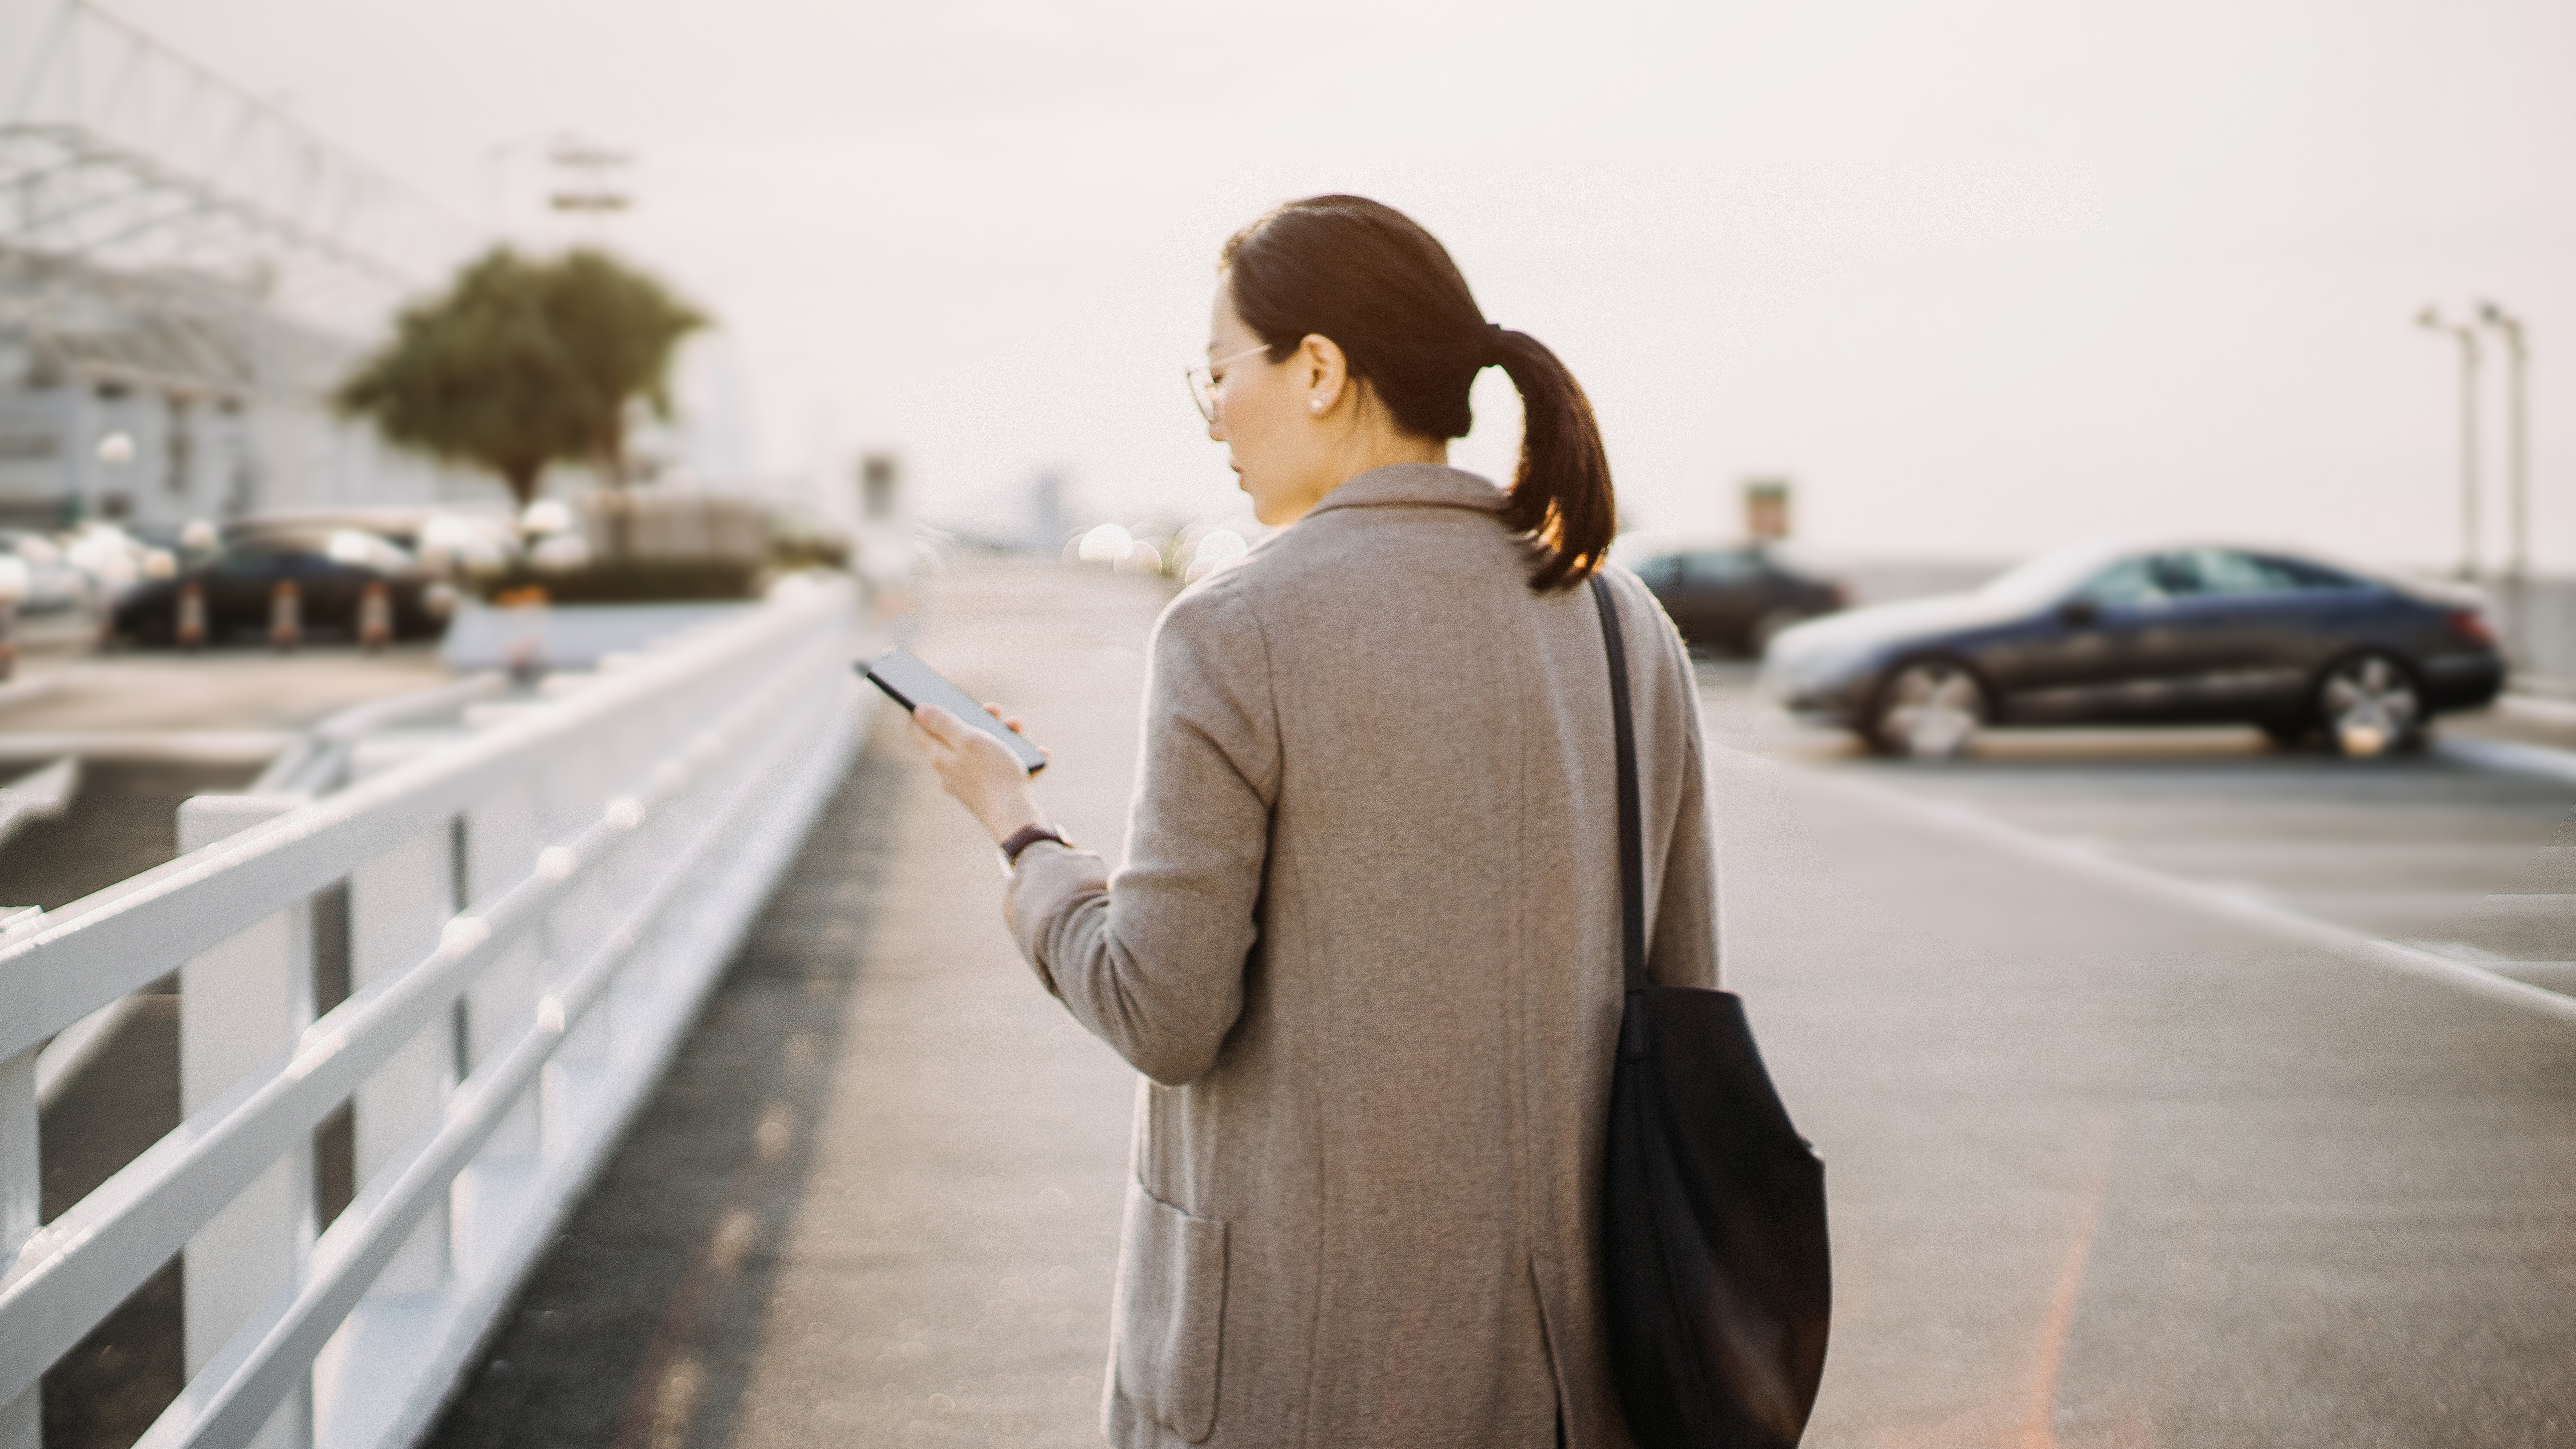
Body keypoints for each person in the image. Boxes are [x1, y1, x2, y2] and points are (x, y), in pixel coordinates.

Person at [906, 195, 1716, 1448]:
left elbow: (1160, 1009)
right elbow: (1684, 988)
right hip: (1584, 1370)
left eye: (1219, 371)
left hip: (1303, 1368)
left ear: (1322, 370)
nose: (1215, 413)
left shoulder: (1238, 628)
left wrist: (1022, 837)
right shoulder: (1621, 625)